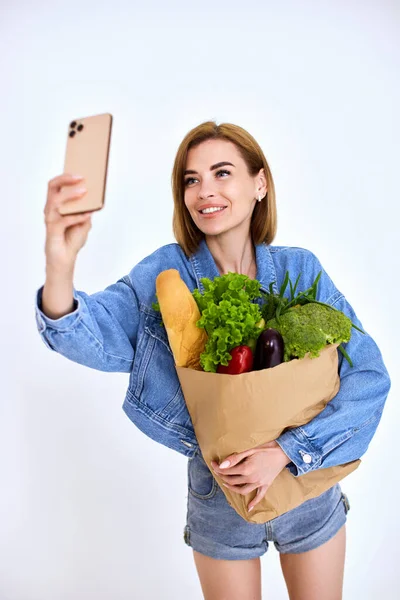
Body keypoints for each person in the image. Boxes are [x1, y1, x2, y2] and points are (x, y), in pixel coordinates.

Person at [35, 121, 391, 600]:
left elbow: (368, 375)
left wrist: (288, 452)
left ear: (259, 184)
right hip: (218, 495)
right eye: (191, 179)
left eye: (222, 173)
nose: (205, 191)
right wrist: (60, 262)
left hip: (306, 485)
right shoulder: (166, 275)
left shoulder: (299, 269)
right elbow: (88, 334)